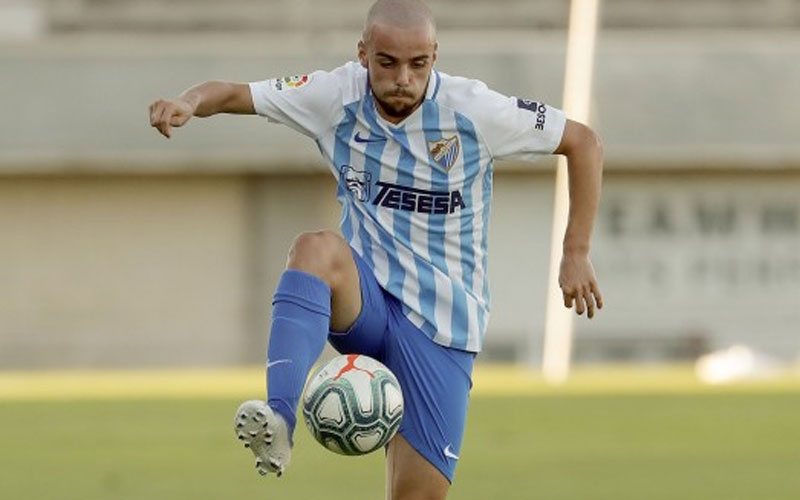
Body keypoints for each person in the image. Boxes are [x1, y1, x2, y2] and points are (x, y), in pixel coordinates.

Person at [149, 0, 604, 497]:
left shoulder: (473, 110)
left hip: (441, 324)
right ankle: (278, 419)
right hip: (368, 305)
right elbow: (237, 93)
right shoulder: (333, 96)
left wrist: (575, 251)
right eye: (387, 62)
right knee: (315, 249)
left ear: (435, 55)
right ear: (363, 54)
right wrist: (189, 102)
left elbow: (582, 142)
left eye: (418, 64)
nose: (402, 78)